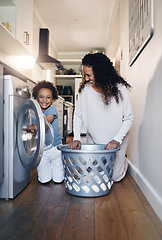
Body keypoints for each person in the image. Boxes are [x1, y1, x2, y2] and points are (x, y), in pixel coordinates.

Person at [69, 53, 134, 182]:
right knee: (95, 175)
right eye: (85, 75)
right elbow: (78, 115)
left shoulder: (120, 89)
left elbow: (129, 118)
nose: (86, 78)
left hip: (117, 140)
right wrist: (76, 138)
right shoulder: (84, 90)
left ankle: (123, 162)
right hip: (95, 139)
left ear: (101, 73)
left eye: (89, 75)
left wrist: (116, 140)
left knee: (114, 177)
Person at [32, 80, 64, 183]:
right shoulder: (34, 113)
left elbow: (44, 125)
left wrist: (26, 127)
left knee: (58, 179)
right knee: (44, 180)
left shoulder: (52, 110)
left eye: (48, 97)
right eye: (41, 97)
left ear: (53, 100)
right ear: (36, 98)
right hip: (42, 150)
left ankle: (60, 172)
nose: (44, 100)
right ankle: (47, 173)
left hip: (55, 148)